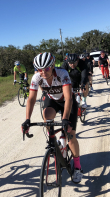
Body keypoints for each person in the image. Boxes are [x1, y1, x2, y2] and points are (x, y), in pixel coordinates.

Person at [22, 52, 83, 183]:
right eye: (39, 69)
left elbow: (68, 98)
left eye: (47, 68)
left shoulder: (62, 74)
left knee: (70, 135)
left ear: (53, 65)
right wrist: (27, 119)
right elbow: (31, 99)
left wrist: (65, 119)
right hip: (53, 101)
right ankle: (54, 144)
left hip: (68, 102)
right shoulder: (36, 78)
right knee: (46, 116)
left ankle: (77, 167)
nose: (43, 72)